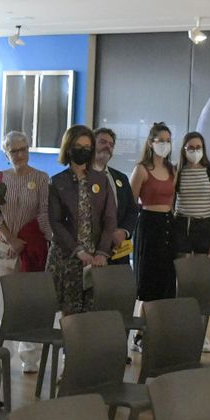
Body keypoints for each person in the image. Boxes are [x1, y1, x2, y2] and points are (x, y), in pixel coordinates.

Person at [0, 130, 52, 373]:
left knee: (29, 304)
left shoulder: (42, 178)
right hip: (4, 247)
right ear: (6, 152)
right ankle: (0, 353)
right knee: (3, 305)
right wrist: (10, 238)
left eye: (24, 148)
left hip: (31, 250)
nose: (20, 154)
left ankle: (30, 358)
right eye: (14, 150)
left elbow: (44, 213)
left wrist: (50, 240)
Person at [48, 125, 118, 317]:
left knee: (91, 313)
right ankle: (68, 347)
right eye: (79, 146)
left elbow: (110, 218)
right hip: (68, 256)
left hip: (95, 258)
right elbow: (55, 222)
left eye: (88, 147)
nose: (83, 151)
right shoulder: (57, 182)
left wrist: (103, 253)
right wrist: (78, 251)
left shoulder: (100, 180)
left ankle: (85, 348)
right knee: (69, 313)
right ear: (69, 148)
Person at [130, 122, 177, 300]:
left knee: (167, 276)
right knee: (149, 277)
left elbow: (172, 200)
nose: (165, 144)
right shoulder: (141, 169)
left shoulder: (172, 170)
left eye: (168, 141)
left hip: (168, 223)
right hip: (149, 223)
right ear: (151, 143)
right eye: (161, 140)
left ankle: (162, 323)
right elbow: (132, 202)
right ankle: (144, 324)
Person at [172, 131, 210, 259]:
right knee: (183, 269)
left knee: (202, 269)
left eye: (198, 147)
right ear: (184, 150)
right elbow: (170, 201)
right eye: (191, 148)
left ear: (203, 149)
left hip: (204, 225)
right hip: (182, 224)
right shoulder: (176, 171)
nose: (195, 151)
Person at [93, 127, 137, 266]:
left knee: (117, 287)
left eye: (111, 145)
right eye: (103, 142)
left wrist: (124, 232)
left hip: (118, 251)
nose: (107, 147)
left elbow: (132, 210)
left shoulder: (121, 178)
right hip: (92, 252)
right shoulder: (82, 177)